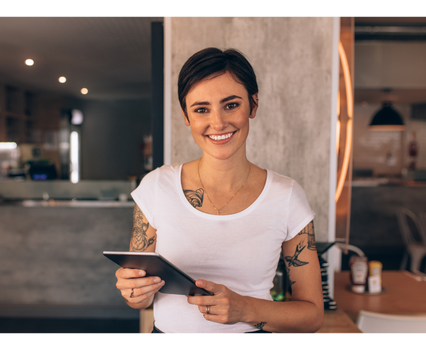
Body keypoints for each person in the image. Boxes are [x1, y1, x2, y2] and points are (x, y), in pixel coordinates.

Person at [114, 47, 323, 333]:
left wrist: (245, 309)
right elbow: (139, 300)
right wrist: (134, 293)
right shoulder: (156, 187)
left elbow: (312, 316)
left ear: (254, 104)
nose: (218, 122)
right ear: (186, 116)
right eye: (201, 109)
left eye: (231, 105)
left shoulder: (286, 196)